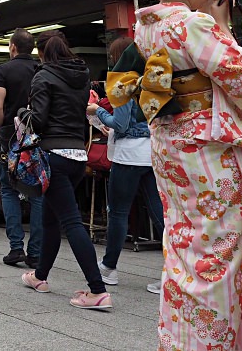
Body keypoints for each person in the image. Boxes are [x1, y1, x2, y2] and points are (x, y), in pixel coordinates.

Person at [125, 0, 242, 349]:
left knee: (186, 247)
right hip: (206, 151)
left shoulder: (146, 25)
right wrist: (221, 25)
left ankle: (179, 339)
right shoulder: (192, 25)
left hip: (171, 146)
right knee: (217, 257)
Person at [19, 30, 111, 311]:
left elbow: (40, 119)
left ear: (42, 53)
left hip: (53, 156)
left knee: (70, 222)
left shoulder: (43, 76)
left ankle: (98, 290)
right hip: (77, 155)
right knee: (50, 219)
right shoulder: (82, 76)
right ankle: (39, 276)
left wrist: (24, 115)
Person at [86, 36, 163, 295]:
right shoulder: (153, 81)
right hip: (152, 153)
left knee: (118, 212)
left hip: (127, 155)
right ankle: (174, 270)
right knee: (160, 213)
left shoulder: (122, 82)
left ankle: (109, 267)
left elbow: (119, 124)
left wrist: (97, 111)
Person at [0, 27, 43, 269]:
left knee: (9, 189)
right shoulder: (40, 70)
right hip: (37, 139)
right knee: (37, 192)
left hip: (10, 139)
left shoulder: (3, 71)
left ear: (12, 46)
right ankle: (36, 253)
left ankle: (15, 248)